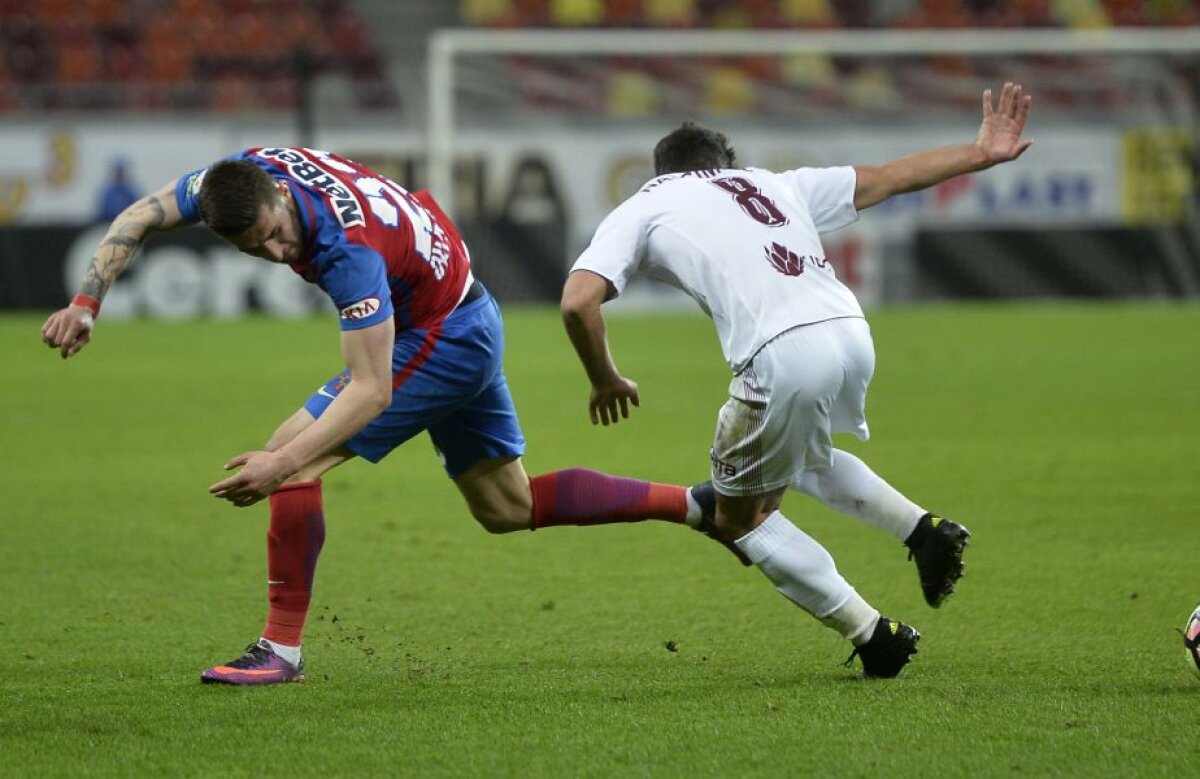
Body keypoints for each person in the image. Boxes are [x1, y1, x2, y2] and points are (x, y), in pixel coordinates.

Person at [41, 147, 713, 685]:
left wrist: (283, 464)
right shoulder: (245, 176)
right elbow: (140, 215)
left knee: (291, 450)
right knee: (506, 507)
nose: (276, 254)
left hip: (445, 334)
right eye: (255, 250)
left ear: (279, 200)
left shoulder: (346, 250)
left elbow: (371, 389)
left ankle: (280, 649)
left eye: (274, 236)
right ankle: (696, 505)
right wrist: (86, 301)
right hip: (461, 309)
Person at [561, 82, 1034, 678]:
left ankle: (873, 635)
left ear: (662, 172)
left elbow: (578, 302)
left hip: (782, 354)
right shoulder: (772, 182)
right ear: (724, 166)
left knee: (738, 518)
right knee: (798, 457)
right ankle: (924, 530)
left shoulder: (643, 204)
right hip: (850, 332)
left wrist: (604, 379)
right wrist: (980, 152)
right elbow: (889, 177)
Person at [95, 157, 140, 222]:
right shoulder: (107, 191)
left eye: (121, 171)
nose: (119, 174)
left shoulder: (131, 191)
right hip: (108, 223)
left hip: (127, 222)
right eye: (118, 171)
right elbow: (102, 211)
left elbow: (137, 208)